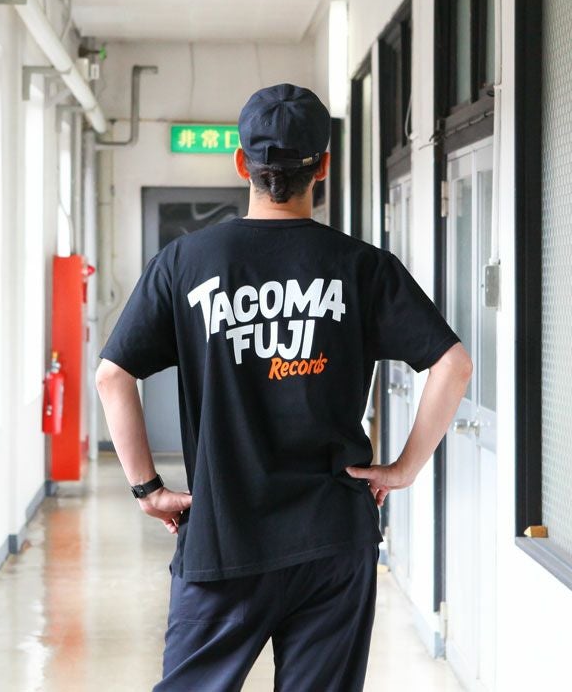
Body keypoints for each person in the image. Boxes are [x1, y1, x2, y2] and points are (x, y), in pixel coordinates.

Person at [95, 83, 473, 692]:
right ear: (322, 168)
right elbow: (453, 365)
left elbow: (113, 375)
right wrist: (403, 469)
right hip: (333, 536)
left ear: (241, 163)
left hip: (223, 538)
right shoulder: (362, 267)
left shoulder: (184, 263)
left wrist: (148, 489)